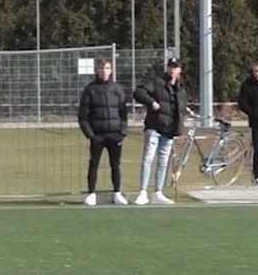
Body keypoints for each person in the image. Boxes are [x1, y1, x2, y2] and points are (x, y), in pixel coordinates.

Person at [132, 58, 187, 205]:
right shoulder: (157, 82)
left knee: (163, 161)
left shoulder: (181, 89)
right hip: (154, 126)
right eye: (171, 67)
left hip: (169, 131)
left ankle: (158, 192)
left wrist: (179, 130)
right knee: (148, 158)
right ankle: (143, 192)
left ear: (180, 70)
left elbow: (180, 111)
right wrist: (151, 102)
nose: (173, 70)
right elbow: (138, 92)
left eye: (176, 67)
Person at [77, 58, 129, 206]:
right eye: (101, 68)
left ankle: (117, 193)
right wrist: (90, 135)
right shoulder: (90, 89)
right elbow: (82, 116)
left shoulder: (117, 89)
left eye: (107, 68)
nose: (104, 71)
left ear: (111, 70)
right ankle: (91, 194)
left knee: (115, 165)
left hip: (115, 134)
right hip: (97, 135)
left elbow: (124, 113)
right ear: (97, 70)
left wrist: (122, 132)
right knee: (94, 164)